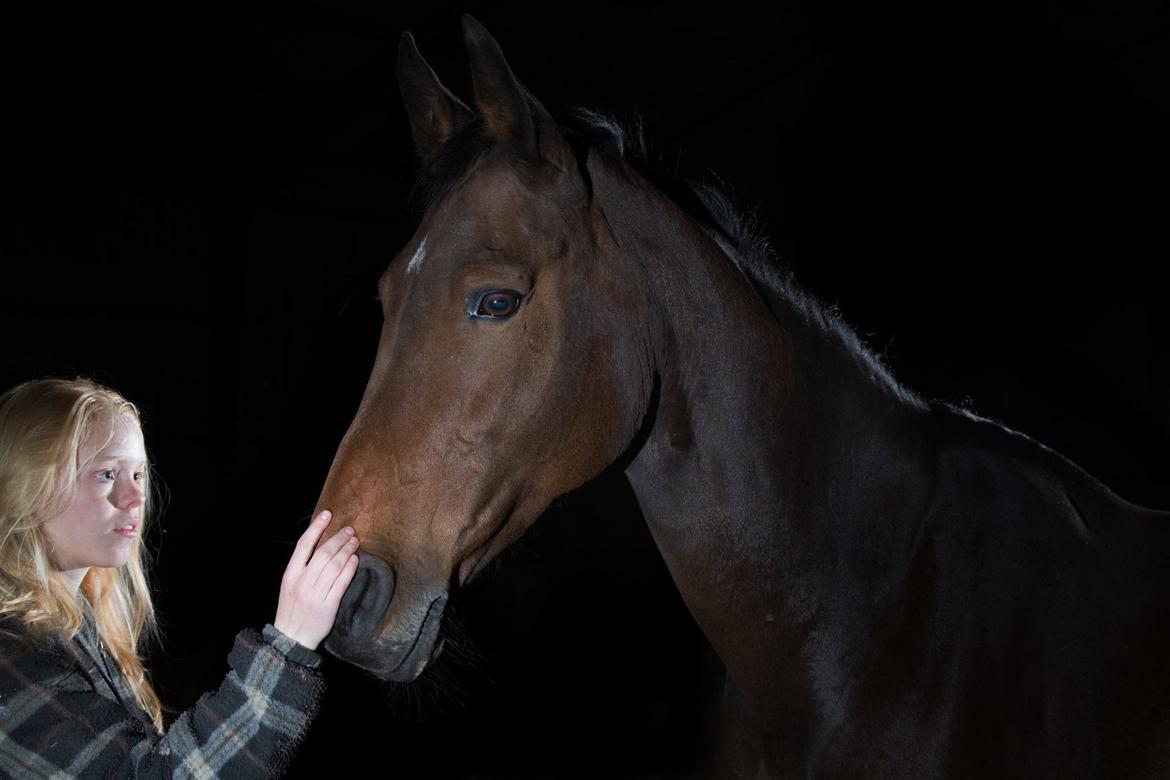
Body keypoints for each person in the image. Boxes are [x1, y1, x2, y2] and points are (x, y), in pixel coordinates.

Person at [0, 377, 359, 777]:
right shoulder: (9, 652)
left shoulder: (72, 623)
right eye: (107, 474)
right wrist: (288, 641)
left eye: (138, 474)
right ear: (28, 485)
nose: (136, 497)